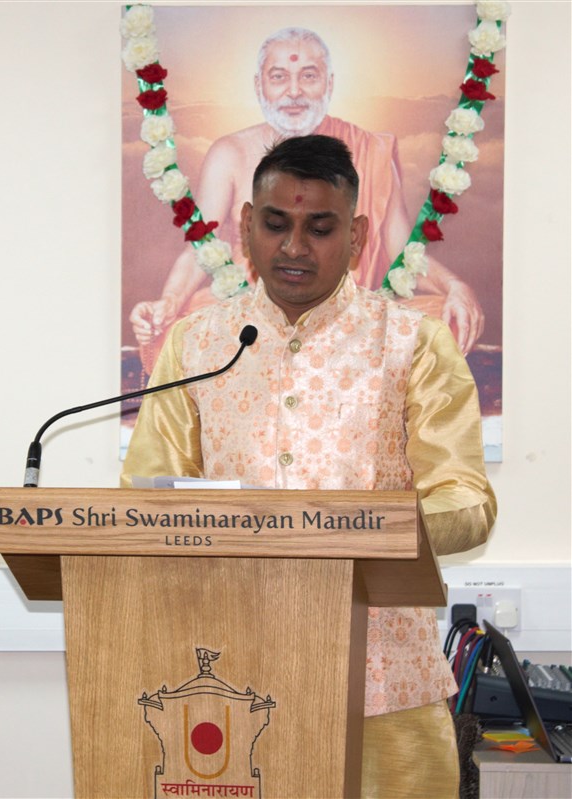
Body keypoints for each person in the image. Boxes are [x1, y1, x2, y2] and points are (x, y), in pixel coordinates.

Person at [122, 134, 497, 797]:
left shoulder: (413, 343)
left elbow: (466, 500)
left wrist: (357, 530)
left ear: (356, 236)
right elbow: (147, 499)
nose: (294, 246)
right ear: (245, 225)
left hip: (383, 676)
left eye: (320, 228)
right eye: (276, 224)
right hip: (224, 680)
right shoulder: (197, 343)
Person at [129, 26, 484, 361]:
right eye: (279, 77)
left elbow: (404, 254)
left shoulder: (369, 150)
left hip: (349, 325)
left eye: (309, 76)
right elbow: (200, 251)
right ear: (259, 85)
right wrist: (168, 302)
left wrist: (453, 285)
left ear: (329, 83)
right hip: (252, 325)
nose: (294, 91)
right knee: (177, 333)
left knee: (444, 322)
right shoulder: (230, 153)